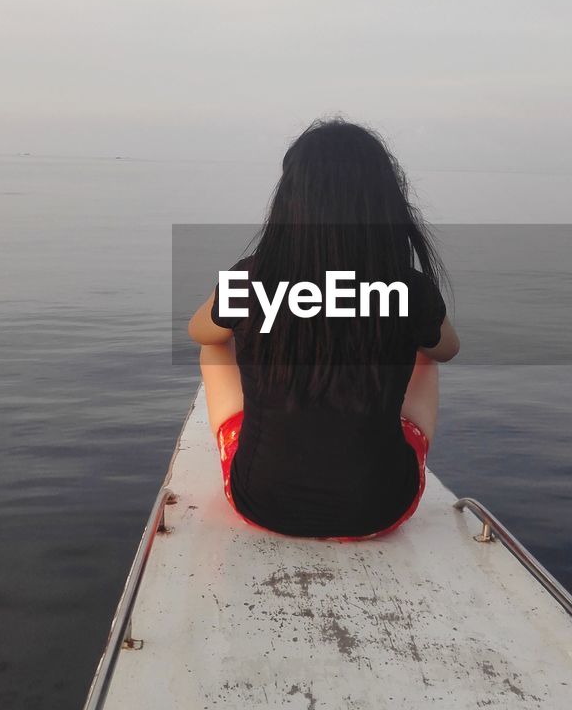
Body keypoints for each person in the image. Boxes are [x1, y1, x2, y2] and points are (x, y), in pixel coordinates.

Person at [187, 117, 459, 540]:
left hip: (261, 501)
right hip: (381, 507)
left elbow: (200, 333)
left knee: (216, 346)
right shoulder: (408, 288)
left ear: (290, 201)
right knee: (425, 351)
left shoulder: (251, 280)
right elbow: (447, 349)